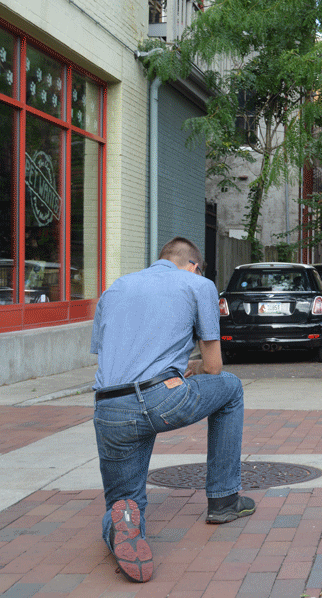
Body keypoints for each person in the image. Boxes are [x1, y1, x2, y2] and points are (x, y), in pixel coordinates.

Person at [90, 237, 255, 583]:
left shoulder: (115, 288)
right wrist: (189, 368)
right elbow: (213, 367)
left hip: (109, 407)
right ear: (193, 265)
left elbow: (110, 355)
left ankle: (122, 522)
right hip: (160, 398)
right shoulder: (198, 284)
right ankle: (224, 500)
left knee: (125, 499)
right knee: (231, 388)